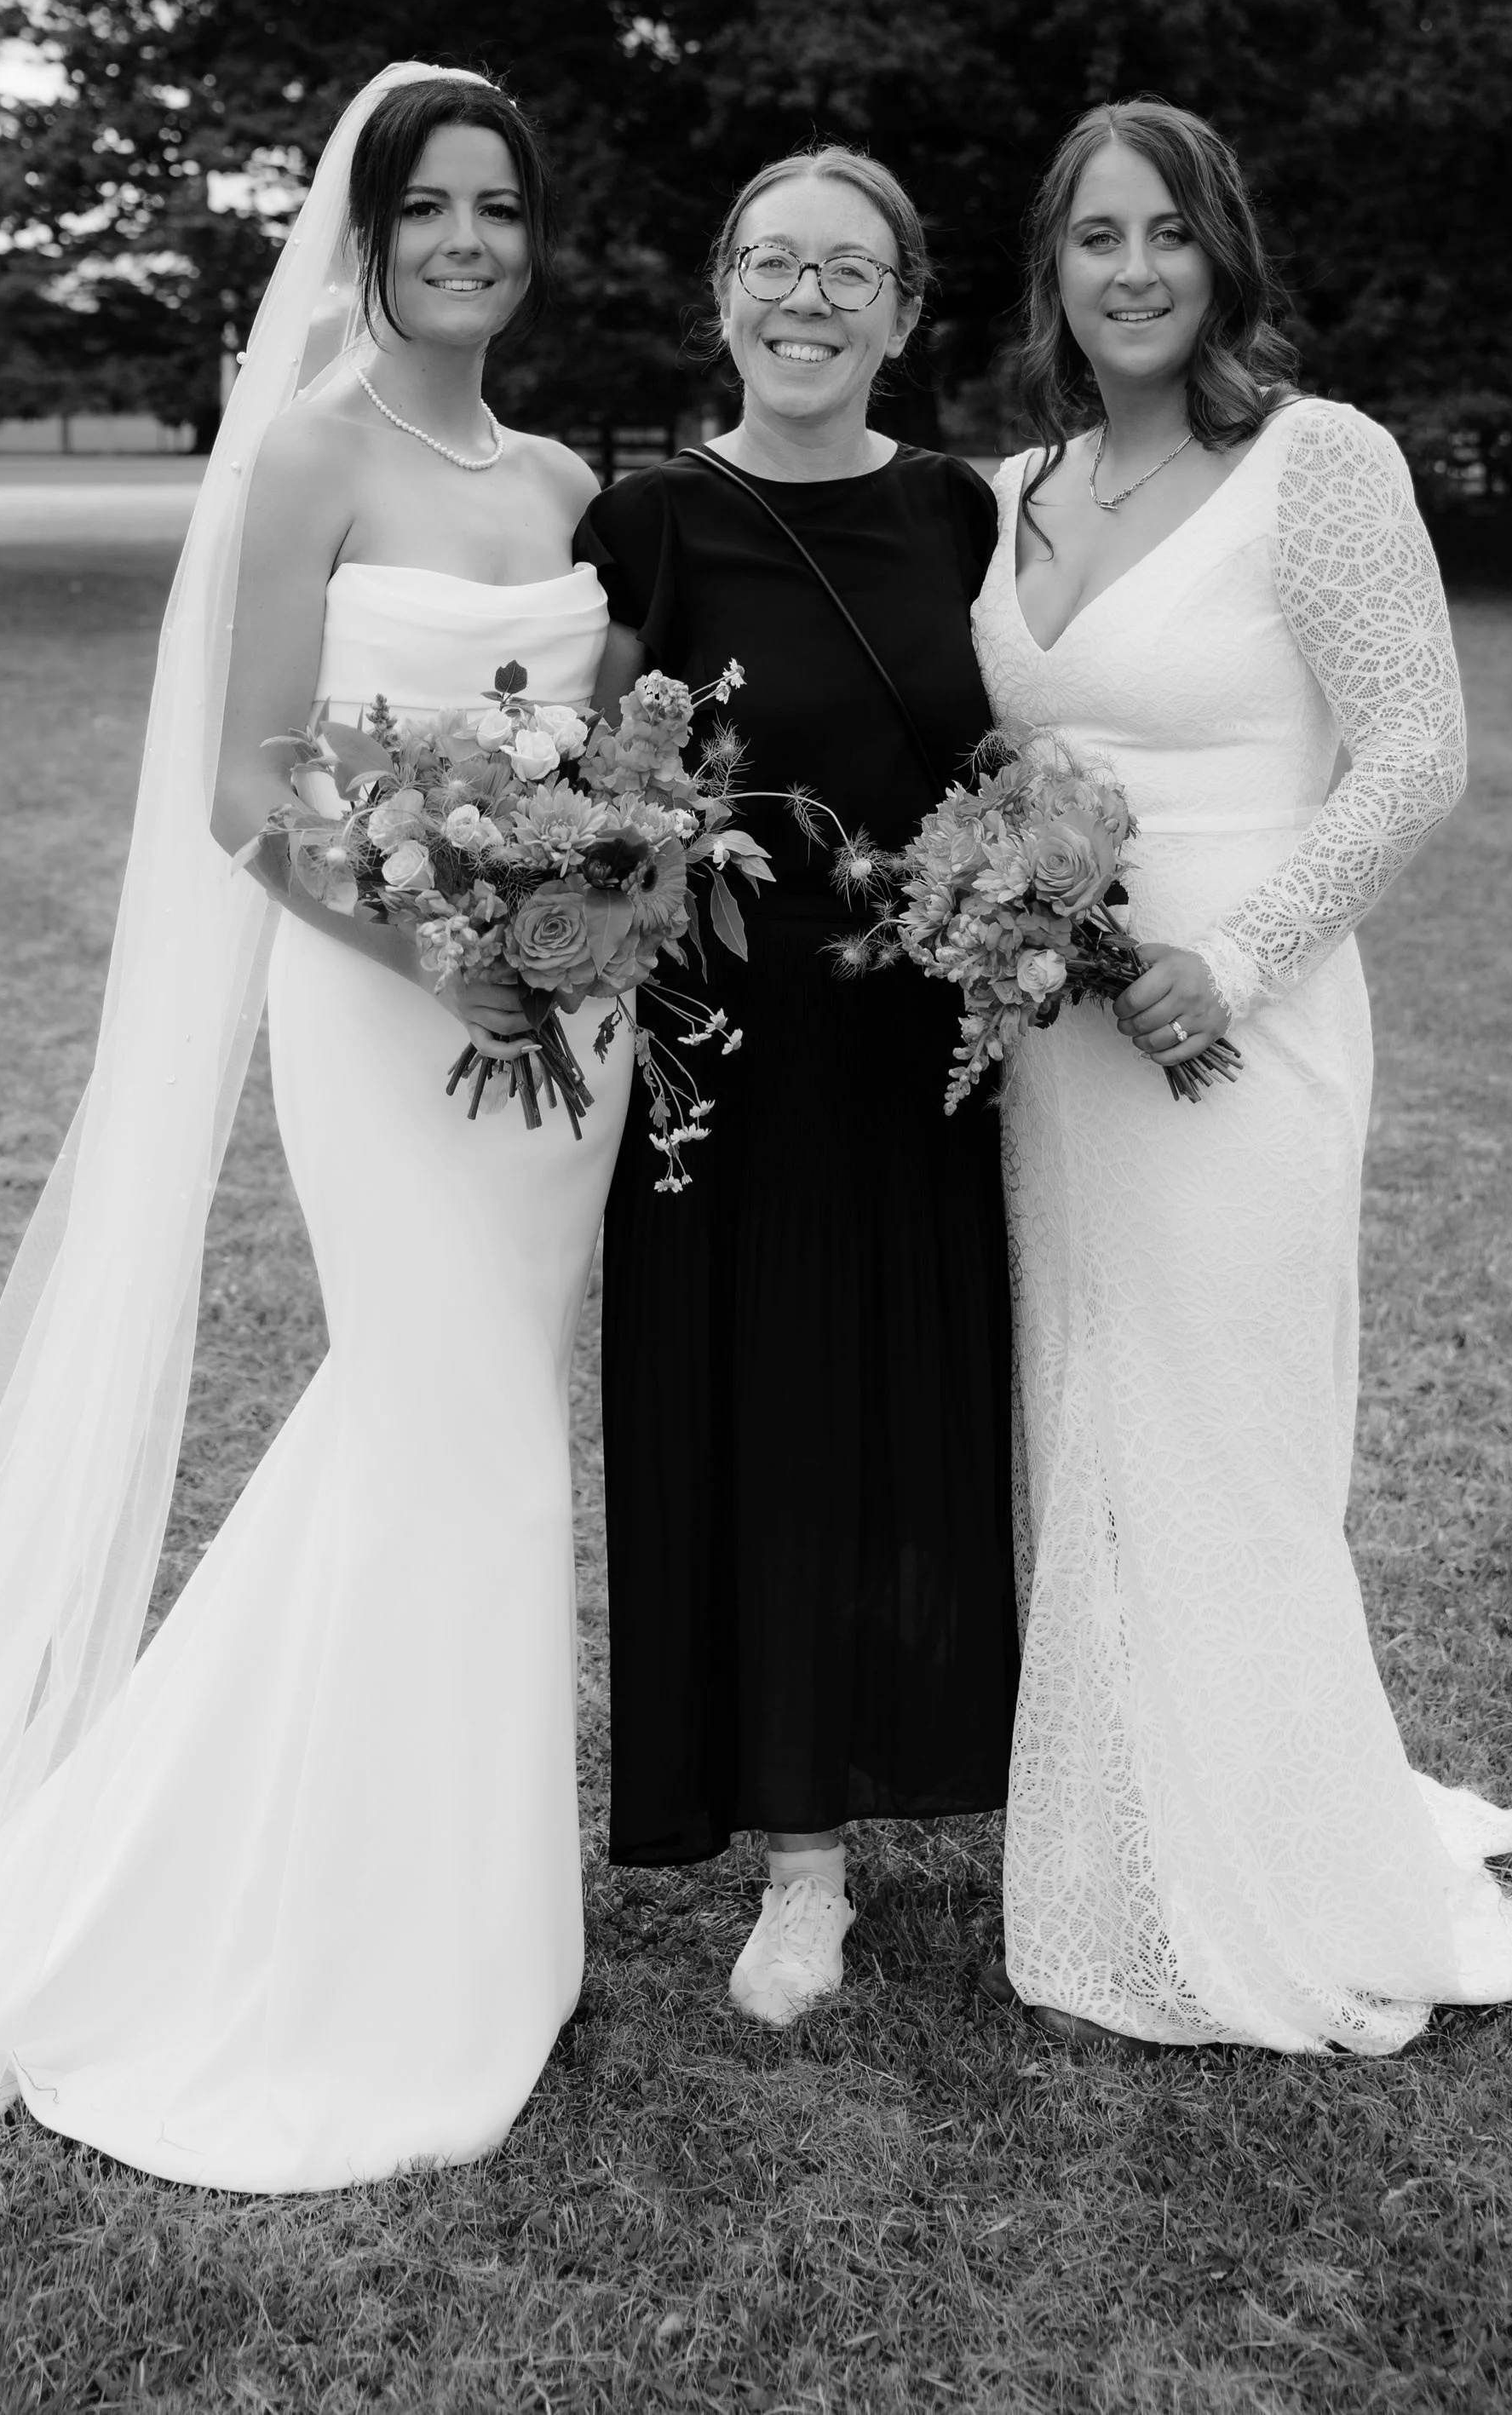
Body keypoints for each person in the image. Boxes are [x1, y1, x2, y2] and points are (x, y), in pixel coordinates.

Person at [0, 65, 630, 2406]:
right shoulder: (308, 450)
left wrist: (599, 901)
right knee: (472, 1452)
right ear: (372, 230)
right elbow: (242, 791)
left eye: (505, 206)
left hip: (563, 1040)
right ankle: (380, 1963)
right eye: (435, 206)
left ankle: (429, 1894)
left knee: (439, 1462)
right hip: (384, 1009)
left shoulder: (570, 480)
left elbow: (605, 759)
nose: (472, 239)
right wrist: (446, 949)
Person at [970, 95, 1512, 2054]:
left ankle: (1275, 1864)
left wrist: (1238, 956)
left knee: (1220, 1426)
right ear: (1048, 268)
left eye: (1165, 235)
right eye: (1092, 238)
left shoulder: (1315, 460)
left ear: (1220, 256)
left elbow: (1411, 752)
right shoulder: (1011, 492)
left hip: (1246, 1008)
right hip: (1060, 1036)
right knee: (1091, 1415)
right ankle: (1125, 1826)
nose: (1129, 272)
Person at [575, 148, 1018, 2029]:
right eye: (773, 264)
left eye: (851, 272)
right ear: (722, 297)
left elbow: (1019, 741)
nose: (808, 300)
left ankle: (964, 1771)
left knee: (912, 1421)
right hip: (725, 1073)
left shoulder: (961, 516)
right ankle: (798, 1864)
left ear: (906, 313)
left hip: (920, 1056)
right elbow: (582, 792)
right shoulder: (650, 520)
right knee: (751, 1425)